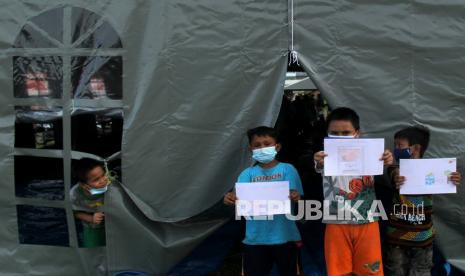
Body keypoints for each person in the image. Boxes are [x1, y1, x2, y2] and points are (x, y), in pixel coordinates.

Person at [313, 107, 394, 275]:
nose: (340, 137)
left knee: (370, 271)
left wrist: (388, 159)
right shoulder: (323, 157)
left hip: (368, 220)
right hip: (336, 222)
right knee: (338, 272)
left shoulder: (372, 153)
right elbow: (318, 165)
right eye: (334, 133)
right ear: (327, 134)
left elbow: (387, 162)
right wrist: (319, 162)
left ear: (357, 133)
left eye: (346, 132)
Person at [223, 126, 303, 275]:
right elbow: (237, 195)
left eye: (267, 144)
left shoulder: (288, 169)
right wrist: (230, 198)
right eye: (257, 145)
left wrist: (295, 196)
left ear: (277, 147)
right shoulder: (247, 174)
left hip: (286, 237)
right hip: (254, 239)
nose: (262, 148)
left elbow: (296, 195)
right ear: (250, 149)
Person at [384, 126, 461, 275]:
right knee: (395, 271)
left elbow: (446, 178)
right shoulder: (395, 169)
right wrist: (396, 177)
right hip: (397, 239)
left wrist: (453, 178)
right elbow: (393, 173)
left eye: (399, 145)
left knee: (421, 271)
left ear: (415, 148)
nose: (396, 149)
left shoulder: (434, 170)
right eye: (395, 145)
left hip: (423, 240)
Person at [71, 158, 110, 247]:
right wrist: (91, 218)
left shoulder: (111, 185)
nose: (103, 180)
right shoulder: (75, 194)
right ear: (84, 185)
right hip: (93, 228)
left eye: (103, 175)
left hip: (112, 224)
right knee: (93, 249)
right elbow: (74, 213)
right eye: (96, 180)